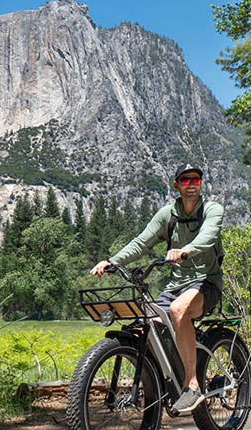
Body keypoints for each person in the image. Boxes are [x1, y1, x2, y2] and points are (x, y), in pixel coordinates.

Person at [90, 163, 224, 414]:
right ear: (176, 185)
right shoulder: (168, 214)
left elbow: (208, 236)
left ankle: (192, 384)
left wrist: (185, 251)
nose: (191, 184)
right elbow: (142, 242)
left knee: (178, 309)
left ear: (201, 183)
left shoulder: (212, 209)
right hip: (176, 285)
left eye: (196, 179)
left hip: (207, 282)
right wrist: (113, 261)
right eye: (185, 180)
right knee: (146, 321)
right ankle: (162, 381)